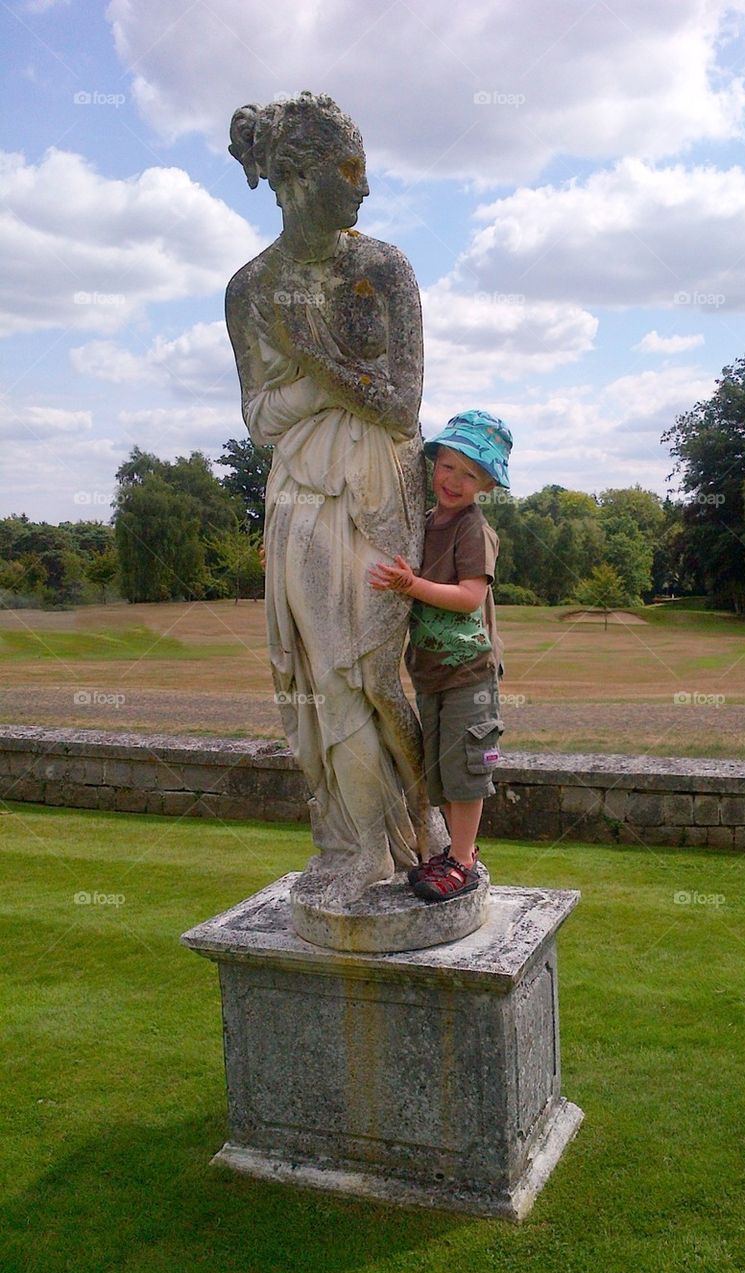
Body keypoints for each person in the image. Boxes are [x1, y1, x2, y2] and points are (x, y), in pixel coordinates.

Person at [224, 91, 439, 909]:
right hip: (304, 500)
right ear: (295, 176)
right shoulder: (248, 290)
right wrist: (326, 388)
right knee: (328, 681)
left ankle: (427, 834)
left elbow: (403, 404)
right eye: (349, 170)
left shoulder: (379, 268)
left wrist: (314, 366)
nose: (365, 188)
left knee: (380, 677)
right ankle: (358, 847)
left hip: (381, 489)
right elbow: (257, 419)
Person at [369, 410, 512, 902]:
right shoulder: (422, 524)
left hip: (469, 674)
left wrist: (412, 585)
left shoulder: (473, 529)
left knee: (467, 771)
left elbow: (470, 595)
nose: (454, 480)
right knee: (440, 775)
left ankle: (464, 860)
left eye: (469, 473)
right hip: (429, 675)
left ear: (487, 484)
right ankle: (453, 852)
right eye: (447, 466)